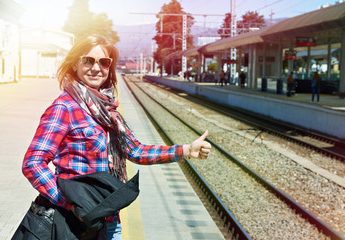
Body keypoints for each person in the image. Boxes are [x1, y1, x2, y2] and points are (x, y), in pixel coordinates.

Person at [14, 34, 211, 239]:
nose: (96, 68)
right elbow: (32, 163)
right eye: (88, 60)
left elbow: (136, 151)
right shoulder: (64, 107)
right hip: (74, 225)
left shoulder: (108, 111)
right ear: (74, 64)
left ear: (109, 67)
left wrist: (186, 150)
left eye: (103, 62)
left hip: (109, 221)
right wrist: (70, 205)